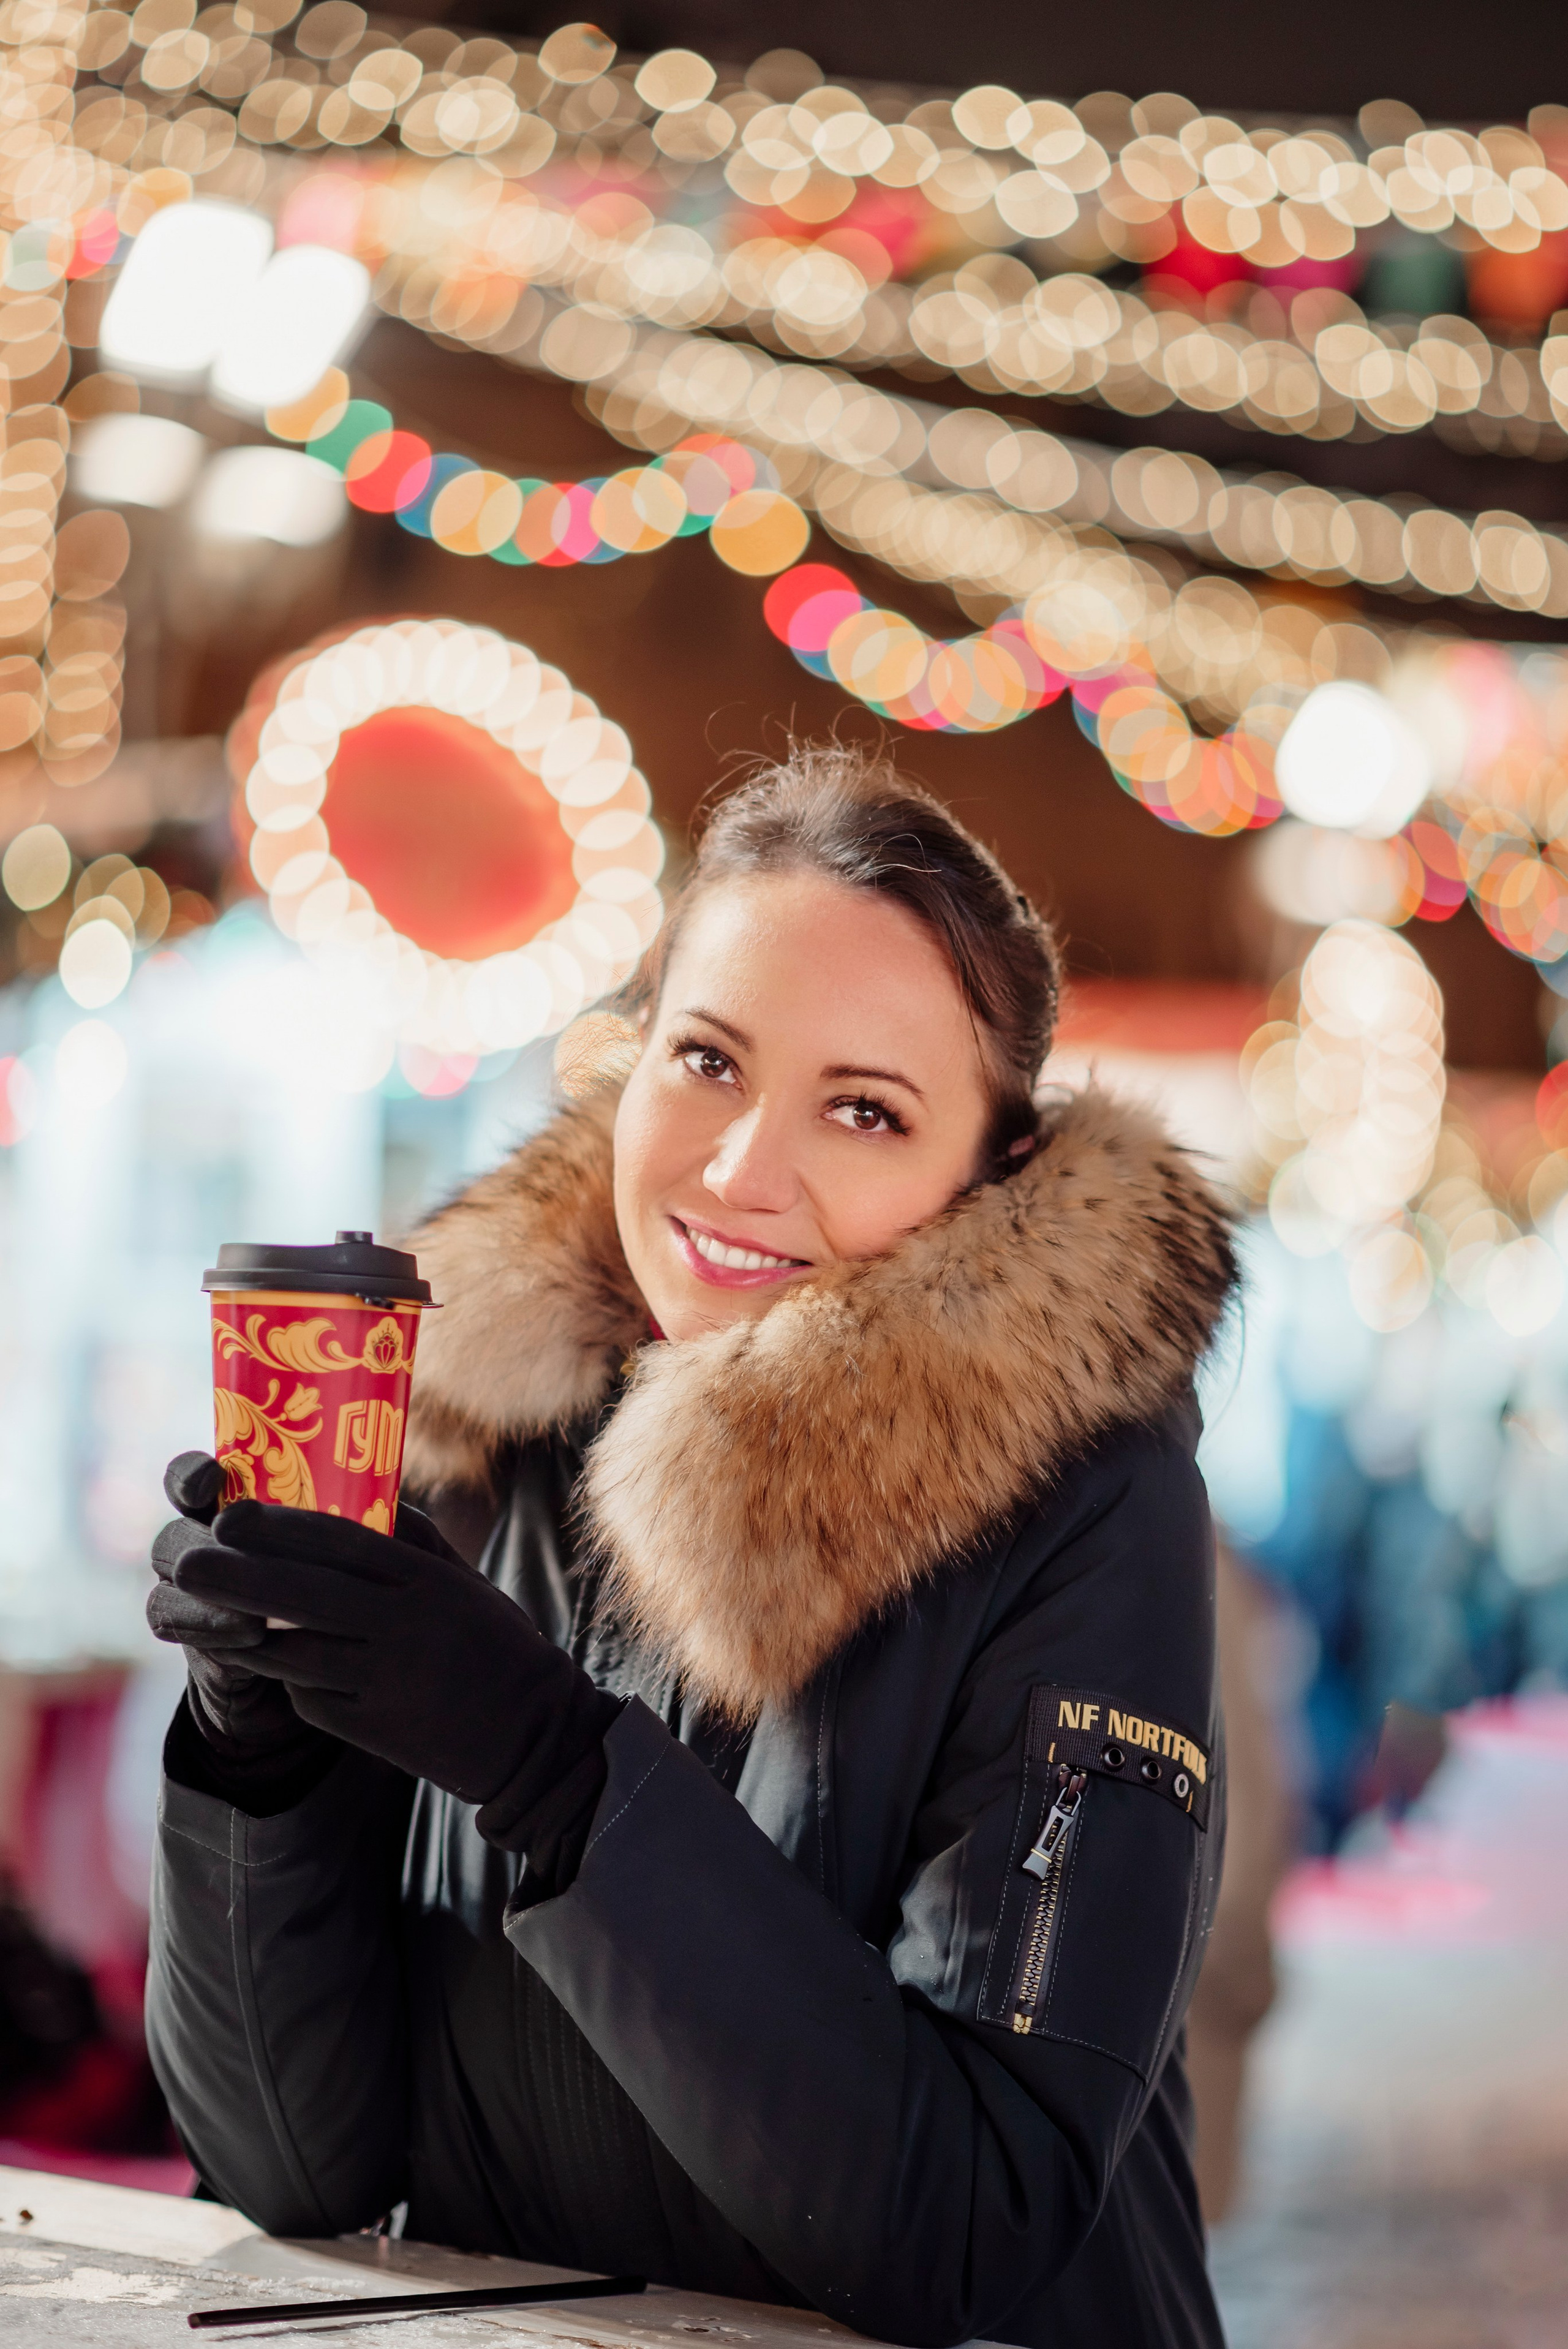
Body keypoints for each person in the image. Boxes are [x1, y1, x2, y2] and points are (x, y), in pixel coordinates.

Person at [145, 744, 1238, 2349]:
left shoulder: (1087, 1505)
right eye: (710, 1059)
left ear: (987, 1175)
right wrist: (263, 1763)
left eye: (863, 1110)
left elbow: (976, 2221)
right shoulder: (494, 1435)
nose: (739, 1171)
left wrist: (554, 1769)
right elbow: (298, 2171)